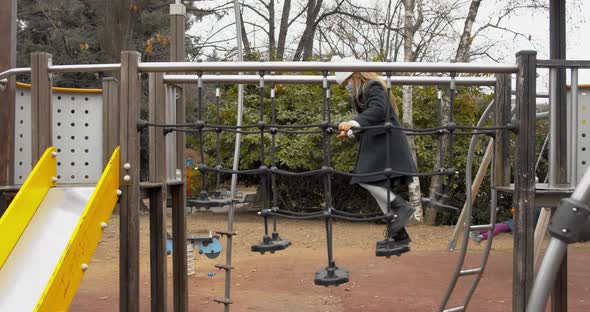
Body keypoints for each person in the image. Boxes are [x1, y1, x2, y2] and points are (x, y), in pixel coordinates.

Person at [333, 57, 418, 257]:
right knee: (376, 185)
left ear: (355, 76)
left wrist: (354, 123)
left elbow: (379, 111)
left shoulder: (373, 86)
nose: (347, 87)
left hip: (385, 144)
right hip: (378, 143)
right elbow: (371, 120)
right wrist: (352, 132)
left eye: (346, 83)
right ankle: (399, 235)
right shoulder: (363, 93)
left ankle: (402, 208)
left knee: (365, 179)